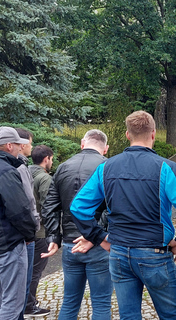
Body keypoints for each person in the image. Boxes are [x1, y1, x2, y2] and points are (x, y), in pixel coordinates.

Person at [70, 111, 176, 320]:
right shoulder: (166, 168)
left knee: (129, 316)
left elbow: (78, 207)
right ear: (154, 134)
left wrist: (98, 237)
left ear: (127, 135)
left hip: (119, 252)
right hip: (154, 252)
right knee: (171, 315)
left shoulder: (106, 167)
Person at [41, 129, 113, 320]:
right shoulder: (108, 167)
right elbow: (114, 207)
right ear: (105, 149)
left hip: (70, 243)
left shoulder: (63, 167)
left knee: (70, 301)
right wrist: (95, 235)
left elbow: (49, 206)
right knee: (102, 304)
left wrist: (54, 237)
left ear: (82, 144)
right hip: (98, 244)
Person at [0, 126, 36, 320]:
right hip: (7, 243)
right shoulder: (5, 170)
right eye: (18, 145)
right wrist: (29, 235)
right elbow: (20, 210)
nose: (20, 149)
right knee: (13, 301)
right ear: (9, 146)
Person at [14, 128, 42, 320]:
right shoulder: (20, 168)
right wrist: (33, 230)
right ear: (22, 144)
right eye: (30, 143)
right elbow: (28, 203)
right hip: (24, 236)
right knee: (21, 283)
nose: (31, 147)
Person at [25, 145, 54, 317]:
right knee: (35, 270)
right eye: (51, 159)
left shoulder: (25, 171)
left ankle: (26, 302)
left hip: (26, 231)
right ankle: (29, 304)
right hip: (39, 232)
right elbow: (47, 206)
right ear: (46, 159)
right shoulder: (44, 178)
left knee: (28, 269)